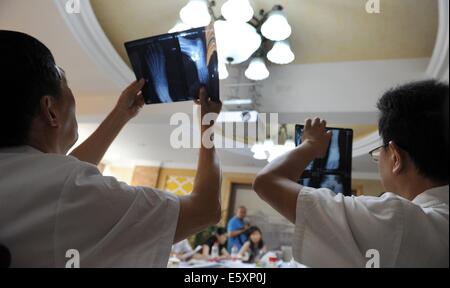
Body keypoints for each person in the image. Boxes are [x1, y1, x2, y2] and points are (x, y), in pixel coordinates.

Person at [0, 31, 223, 268]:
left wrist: (120, 114)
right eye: (65, 81)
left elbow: (54, 181)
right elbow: (205, 209)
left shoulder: (19, 174)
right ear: (50, 110)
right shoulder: (66, 189)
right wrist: (207, 126)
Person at [253, 80, 449, 268]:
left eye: (379, 152)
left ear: (396, 158)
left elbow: (267, 182)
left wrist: (311, 145)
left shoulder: (397, 220)